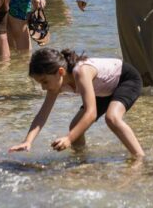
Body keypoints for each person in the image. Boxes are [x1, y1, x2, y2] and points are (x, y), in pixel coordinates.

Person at [9, 48, 144, 157]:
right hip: (103, 89)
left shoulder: (81, 72)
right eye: (40, 84)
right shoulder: (55, 85)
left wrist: (69, 138)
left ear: (60, 72)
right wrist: (28, 141)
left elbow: (91, 114)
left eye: (45, 81)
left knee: (112, 118)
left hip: (126, 79)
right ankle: (81, 160)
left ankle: (139, 158)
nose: (44, 87)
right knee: (75, 126)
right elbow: (42, 115)